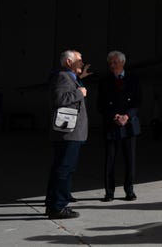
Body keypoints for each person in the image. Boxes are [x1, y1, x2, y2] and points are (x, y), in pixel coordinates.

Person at [45, 50, 89, 219]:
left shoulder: (70, 76)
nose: (82, 63)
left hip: (70, 133)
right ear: (69, 62)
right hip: (68, 133)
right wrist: (80, 93)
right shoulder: (63, 76)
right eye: (80, 60)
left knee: (63, 169)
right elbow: (59, 99)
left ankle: (54, 203)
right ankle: (58, 207)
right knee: (64, 169)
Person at [97, 50, 142, 202]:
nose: (112, 65)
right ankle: (109, 192)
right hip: (112, 125)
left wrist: (127, 116)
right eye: (110, 63)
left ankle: (129, 190)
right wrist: (114, 116)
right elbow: (100, 105)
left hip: (129, 125)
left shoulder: (133, 79)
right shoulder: (104, 81)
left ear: (122, 63)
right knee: (110, 161)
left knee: (130, 160)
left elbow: (138, 102)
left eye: (115, 62)